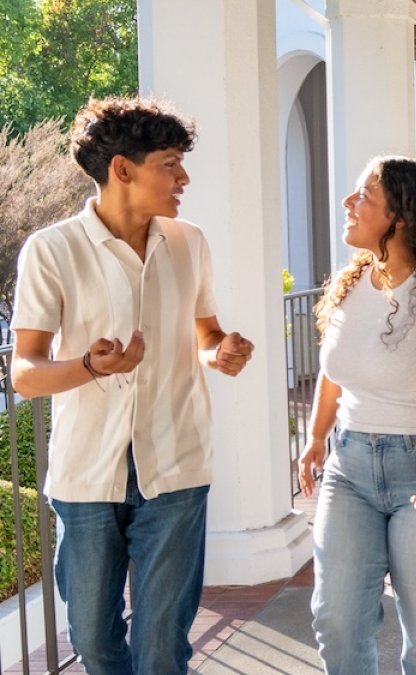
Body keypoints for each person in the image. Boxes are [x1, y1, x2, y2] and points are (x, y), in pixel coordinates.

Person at [10, 97, 255, 675]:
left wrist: (222, 352)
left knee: (161, 650)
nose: (183, 177)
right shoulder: (52, 250)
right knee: (94, 644)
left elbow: (208, 334)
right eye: (170, 163)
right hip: (86, 476)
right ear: (123, 169)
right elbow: (24, 370)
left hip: (176, 469)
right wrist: (92, 367)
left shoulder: (189, 242)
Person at [296, 156, 416, 675]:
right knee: (336, 621)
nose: (348, 202)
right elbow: (334, 373)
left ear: (400, 216)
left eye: (364, 195)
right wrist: (317, 437)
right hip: (350, 465)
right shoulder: (349, 284)